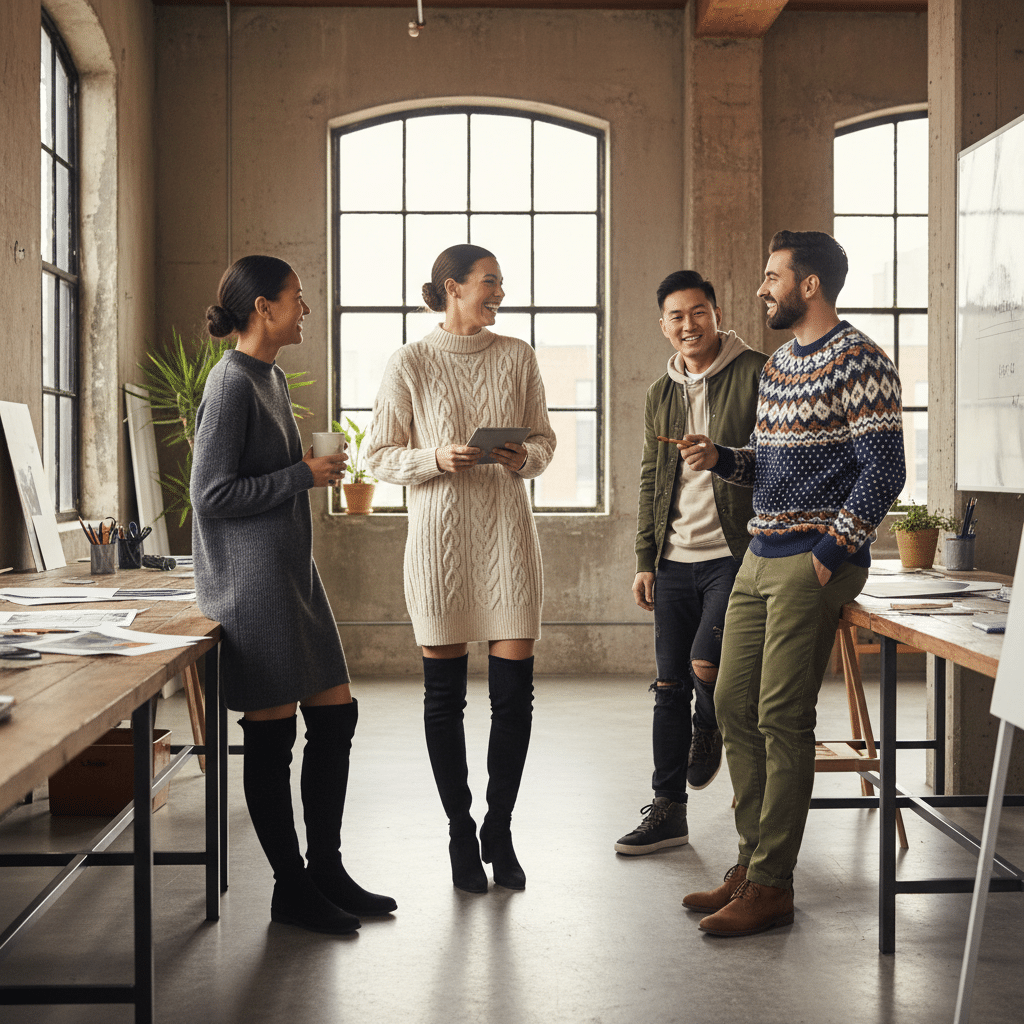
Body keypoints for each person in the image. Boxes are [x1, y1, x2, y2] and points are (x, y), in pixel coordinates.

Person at [678, 231, 905, 936]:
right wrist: (721, 457)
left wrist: (829, 553)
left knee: (782, 716)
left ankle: (773, 885)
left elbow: (884, 469)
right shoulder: (777, 367)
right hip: (760, 552)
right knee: (731, 706)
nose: (761, 287)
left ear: (809, 284)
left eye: (773, 275)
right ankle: (751, 864)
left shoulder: (861, 359)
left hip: (815, 561)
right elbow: (772, 465)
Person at [192, 254, 395, 934]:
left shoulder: (268, 377)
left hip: (290, 577)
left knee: (335, 717)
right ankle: (291, 889)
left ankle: (326, 870)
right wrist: (301, 477)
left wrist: (301, 473)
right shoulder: (230, 386)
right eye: (297, 298)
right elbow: (210, 496)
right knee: (272, 737)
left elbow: (262, 476)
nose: (305, 309)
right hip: (252, 587)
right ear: (263, 309)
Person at [366, 243, 555, 893]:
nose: (499, 293)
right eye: (489, 283)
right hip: (438, 547)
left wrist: (519, 455)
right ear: (453, 287)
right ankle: (458, 833)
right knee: (443, 701)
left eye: (500, 282)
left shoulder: (517, 357)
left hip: (507, 542)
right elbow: (378, 456)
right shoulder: (410, 362)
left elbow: (545, 442)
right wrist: (433, 460)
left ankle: (498, 829)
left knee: (513, 699)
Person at [616, 271, 766, 856]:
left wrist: (724, 456)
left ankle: (709, 722)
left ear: (716, 312)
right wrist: (644, 557)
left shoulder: (755, 372)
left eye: (697, 312)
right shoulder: (661, 392)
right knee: (667, 684)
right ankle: (668, 810)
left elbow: (774, 455)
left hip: (735, 551)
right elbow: (653, 478)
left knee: (707, 664)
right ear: (663, 326)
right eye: (676, 317)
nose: (687, 325)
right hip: (674, 560)